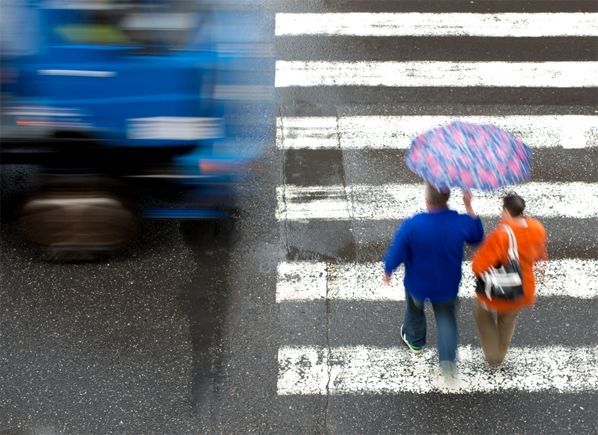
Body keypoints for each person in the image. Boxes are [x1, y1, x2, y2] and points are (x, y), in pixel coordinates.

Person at [383, 183, 484, 382]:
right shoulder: (460, 222)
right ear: (447, 200)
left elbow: (397, 251)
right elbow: (478, 237)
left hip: (417, 284)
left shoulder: (413, 224)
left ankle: (415, 342)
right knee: (446, 319)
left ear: (427, 200)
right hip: (447, 285)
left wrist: (388, 270)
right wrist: (469, 205)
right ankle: (447, 361)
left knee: (414, 310)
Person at [471, 193, 547, 366]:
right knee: (508, 320)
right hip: (522, 289)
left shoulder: (501, 235)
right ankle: (501, 354)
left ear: (506, 211)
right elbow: (537, 255)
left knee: (480, 311)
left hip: (498, 291)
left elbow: (478, 266)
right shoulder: (537, 228)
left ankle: (493, 356)